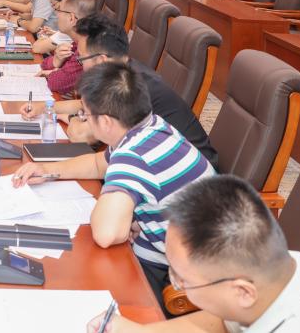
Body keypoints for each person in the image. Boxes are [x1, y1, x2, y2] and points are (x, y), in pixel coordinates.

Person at [13, 61, 214, 312]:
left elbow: (107, 234)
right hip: (189, 252)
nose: (84, 120)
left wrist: (120, 217)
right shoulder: (151, 126)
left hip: (176, 277)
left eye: (85, 116)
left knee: (63, 283)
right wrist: (47, 169)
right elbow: (98, 164)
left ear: (106, 122)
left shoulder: (133, 154)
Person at [89, 175, 300, 332]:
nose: (176, 285)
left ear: (242, 292)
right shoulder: (284, 269)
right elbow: (222, 321)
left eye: (182, 280)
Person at [26, 13, 218, 168]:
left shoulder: (130, 88)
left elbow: (80, 135)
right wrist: (45, 107)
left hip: (188, 182)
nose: (79, 64)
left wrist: (70, 117)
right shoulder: (122, 70)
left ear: (101, 60)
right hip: (156, 161)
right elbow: (82, 104)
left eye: (81, 58)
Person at [31, 0, 96, 95]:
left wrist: (55, 71)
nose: (56, 15)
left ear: (72, 18)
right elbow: (45, 64)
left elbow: (56, 82)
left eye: (59, 10)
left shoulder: (87, 47)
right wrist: (56, 60)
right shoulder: (77, 41)